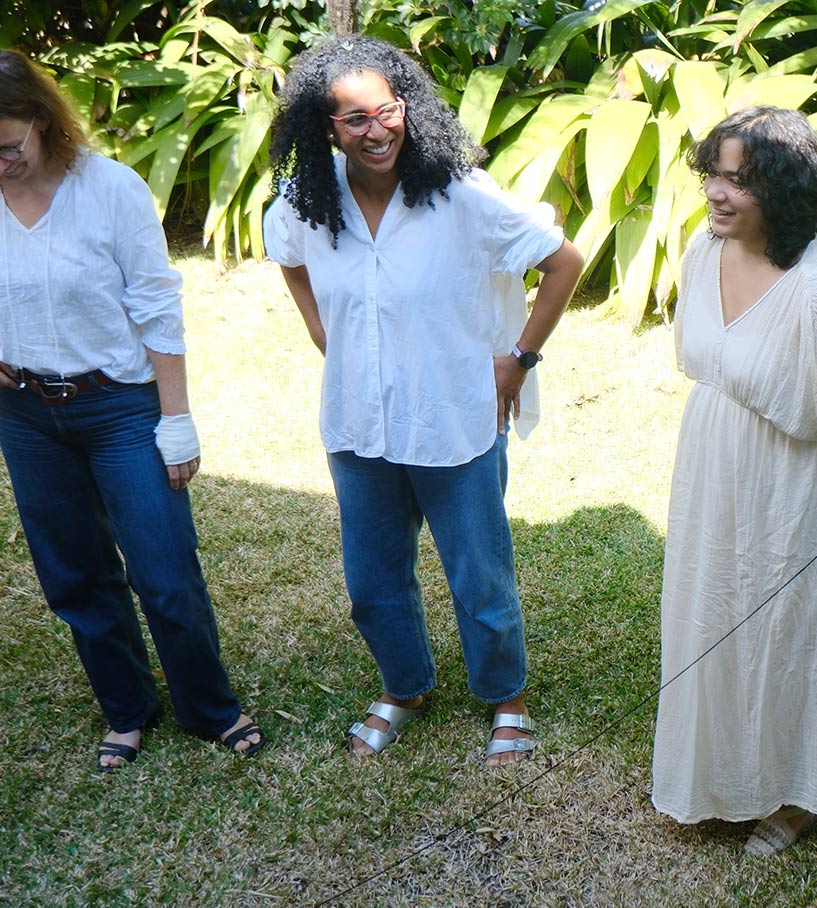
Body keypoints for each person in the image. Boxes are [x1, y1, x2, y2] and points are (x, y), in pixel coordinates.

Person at [263, 36, 583, 766]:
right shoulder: (306, 203)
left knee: (478, 574)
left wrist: (520, 359)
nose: (377, 131)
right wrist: (324, 333)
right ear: (325, 129)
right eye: (353, 120)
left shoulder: (459, 195)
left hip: (453, 418)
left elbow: (562, 261)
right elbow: (288, 259)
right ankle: (405, 687)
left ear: (407, 107)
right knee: (372, 580)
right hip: (357, 422)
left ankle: (507, 696)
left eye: (387, 110)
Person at [0, 50, 263, 771]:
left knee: (164, 569)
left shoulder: (110, 189)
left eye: (7, 147)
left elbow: (155, 300)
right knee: (74, 575)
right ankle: (127, 709)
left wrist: (175, 418)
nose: (0, 164)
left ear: (43, 123)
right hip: (23, 414)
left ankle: (211, 709)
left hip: (119, 407)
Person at [651, 106, 817, 855]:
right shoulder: (704, 249)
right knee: (711, 611)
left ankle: (793, 797)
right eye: (713, 176)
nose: (718, 195)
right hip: (712, 463)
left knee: (787, 630)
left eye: (741, 181)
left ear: (784, 190)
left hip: (794, 481)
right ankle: (718, 777)